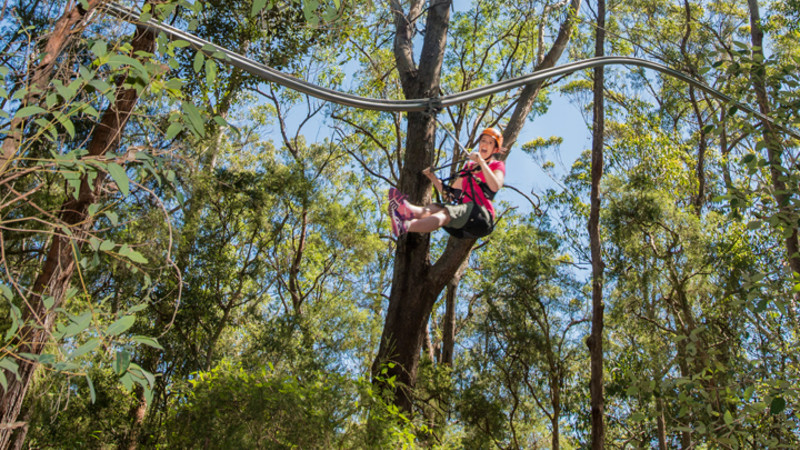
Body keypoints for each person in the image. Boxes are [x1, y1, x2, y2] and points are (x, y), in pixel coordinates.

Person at [388, 127, 506, 238]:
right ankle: (406, 210)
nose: (485, 144)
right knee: (434, 208)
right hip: (465, 216)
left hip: (481, 216)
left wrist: (481, 161)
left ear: (495, 150)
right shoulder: (469, 166)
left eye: (490, 143)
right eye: (483, 140)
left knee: (446, 212)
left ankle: (405, 226)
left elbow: (495, 186)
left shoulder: (496, 165)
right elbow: (450, 195)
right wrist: (432, 177)